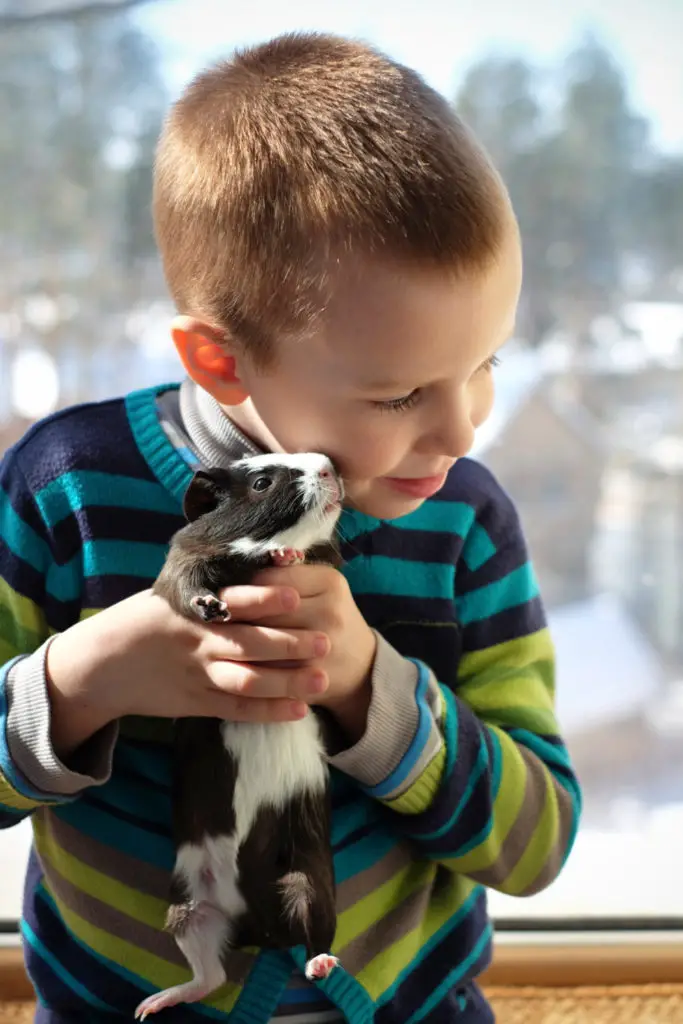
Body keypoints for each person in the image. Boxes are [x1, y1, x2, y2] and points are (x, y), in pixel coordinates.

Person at [0, 32, 581, 1024]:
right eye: (399, 393)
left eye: (483, 361)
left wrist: (370, 687)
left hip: (410, 1005)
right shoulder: (66, 491)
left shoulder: (464, 524)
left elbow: (534, 843)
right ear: (221, 362)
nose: (460, 425)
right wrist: (79, 680)